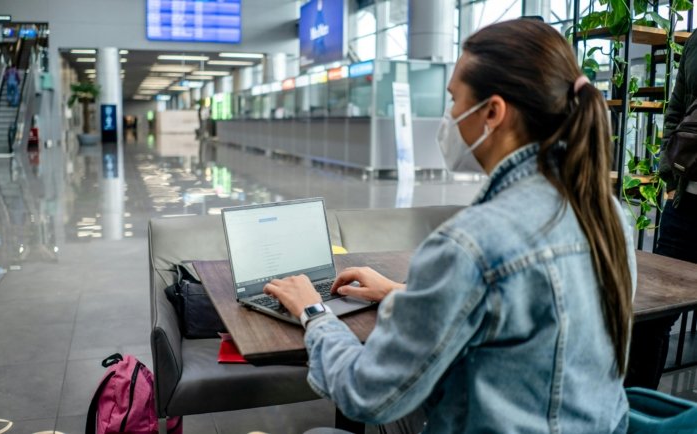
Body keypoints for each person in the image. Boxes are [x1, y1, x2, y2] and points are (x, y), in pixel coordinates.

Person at [263, 19, 636, 433]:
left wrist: (312, 312)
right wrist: (402, 294)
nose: (450, 116)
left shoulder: (471, 244)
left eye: (454, 100)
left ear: (492, 112)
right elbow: (526, 320)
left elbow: (364, 392)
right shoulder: (609, 216)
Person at [626, 32, 697, 389]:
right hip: (687, 203)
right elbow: (677, 108)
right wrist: (670, 178)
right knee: (654, 316)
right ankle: (639, 416)